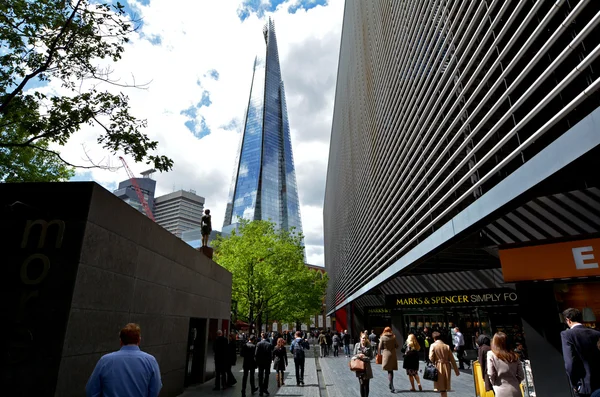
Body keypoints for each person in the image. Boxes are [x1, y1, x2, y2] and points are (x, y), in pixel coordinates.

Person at [86, 323, 162, 397]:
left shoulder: (105, 361)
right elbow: (155, 390)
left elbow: (91, 390)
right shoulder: (150, 361)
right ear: (139, 340)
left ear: (121, 341)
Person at [561, 308, 600, 397]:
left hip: (584, 386)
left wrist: (574, 384)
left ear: (568, 320)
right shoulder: (596, 333)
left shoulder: (567, 335)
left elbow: (569, 363)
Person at [487, 332, 524, 397]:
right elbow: (521, 375)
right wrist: (515, 382)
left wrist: (494, 383)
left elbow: (491, 373)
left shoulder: (491, 354)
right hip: (515, 389)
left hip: (500, 389)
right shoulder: (514, 355)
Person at [429, 331, 459, 397]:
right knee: (444, 387)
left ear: (434, 338)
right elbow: (452, 359)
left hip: (438, 366)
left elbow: (431, 358)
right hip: (447, 367)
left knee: (441, 387)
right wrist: (456, 371)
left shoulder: (433, 345)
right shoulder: (447, 346)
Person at [378, 326, 400, 393]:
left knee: (389, 371)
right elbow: (397, 345)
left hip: (386, 355)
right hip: (392, 355)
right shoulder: (393, 337)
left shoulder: (382, 337)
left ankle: (391, 384)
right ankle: (391, 384)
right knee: (391, 370)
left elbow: (380, 347)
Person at [353, 332, 374, 397]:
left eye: (365, 338)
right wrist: (358, 355)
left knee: (366, 384)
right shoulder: (357, 345)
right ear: (360, 338)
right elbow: (354, 355)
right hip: (359, 367)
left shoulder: (369, 346)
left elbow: (371, 357)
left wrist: (365, 357)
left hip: (367, 368)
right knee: (361, 384)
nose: (364, 340)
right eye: (363, 338)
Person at [255, 332, 273, 396]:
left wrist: (256, 361)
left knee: (260, 375)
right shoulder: (269, 344)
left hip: (260, 362)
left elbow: (256, 354)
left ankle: (261, 389)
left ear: (262, 337)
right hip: (267, 362)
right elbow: (271, 354)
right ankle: (265, 388)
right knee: (266, 375)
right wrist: (271, 361)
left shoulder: (259, 344)